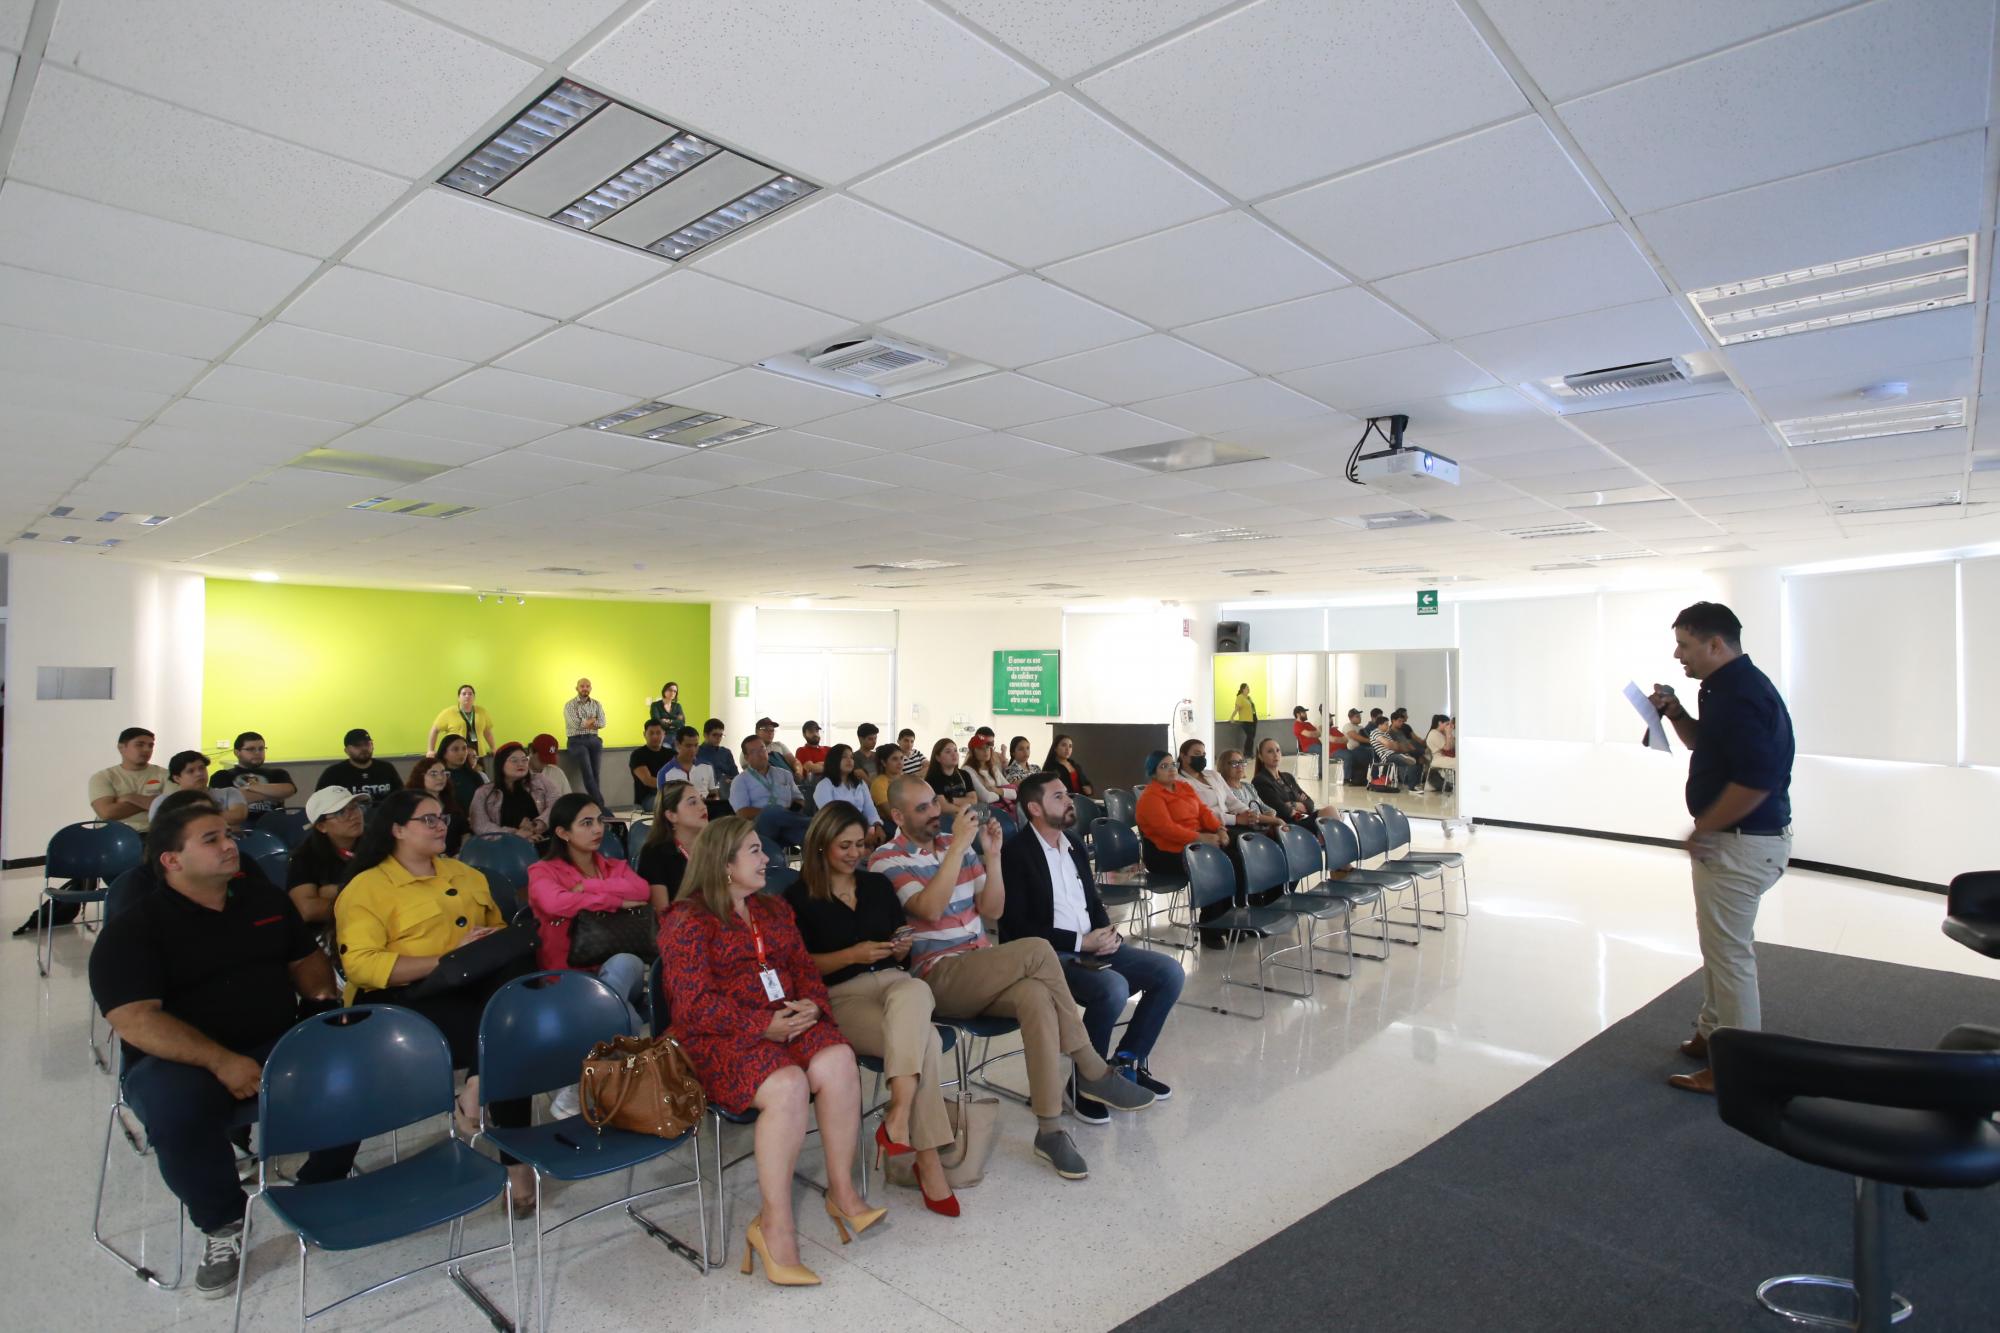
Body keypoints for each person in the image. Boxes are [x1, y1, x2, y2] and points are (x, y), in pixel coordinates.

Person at [89, 802, 352, 1298]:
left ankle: (322, 1184)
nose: (230, 845)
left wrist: (321, 1002)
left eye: (228, 835)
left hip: (271, 1035)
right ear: (171, 860)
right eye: (211, 839)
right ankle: (222, 1223)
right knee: (176, 1108)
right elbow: (135, 1018)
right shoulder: (135, 928)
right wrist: (221, 1061)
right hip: (179, 1059)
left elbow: (307, 959)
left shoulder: (263, 900)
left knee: (349, 1058)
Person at [871, 779, 1154, 1182]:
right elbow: (929, 909)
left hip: (982, 964)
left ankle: (1050, 1129)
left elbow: (993, 909)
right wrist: (956, 849)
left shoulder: (958, 845)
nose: (935, 812)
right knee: (1038, 948)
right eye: (922, 809)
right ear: (897, 816)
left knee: (1037, 996)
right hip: (937, 976)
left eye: (935, 802)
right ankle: (1092, 1067)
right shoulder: (888, 857)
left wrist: (991, 856)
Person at [659, 817, 881, 1285]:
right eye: (755, 851)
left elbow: (803, 969)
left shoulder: (774, 910)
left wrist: (812, 1008)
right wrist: (762, 1024)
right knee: (787, 1085)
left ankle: (841, 1191)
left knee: (839, 1060)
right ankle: (774, 1227)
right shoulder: (687, 920)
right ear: (723, 864)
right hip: (719, 1039)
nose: (768, 859)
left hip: (785, 1021)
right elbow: (692, 1005)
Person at [335, 789, 535, 1207]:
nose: (440, 825)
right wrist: (445, 957)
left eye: (442, 816)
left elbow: (496, 932)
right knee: (505, 1030)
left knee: (509, 1003)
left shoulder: (464, 874)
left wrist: (489, 940)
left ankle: (478, 1086)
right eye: (427, 819)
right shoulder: (368, 887)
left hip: (471, 990)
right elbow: (363, 967)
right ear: (396, 829)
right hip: (402, 1002)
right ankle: (514, 1158)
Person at [1647, 602, 1796, 1097]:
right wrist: (1676, 713)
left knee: (1730, 955)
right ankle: (1713, 1032)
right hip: (1739, 842)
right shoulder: (1723, 688)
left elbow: (1755, 781)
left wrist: (1704, 829)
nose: (1677, 655)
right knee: (1718, 945)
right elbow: (1704, 746)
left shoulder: (1740, 696)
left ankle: (1739, 1066)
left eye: (1685, 645)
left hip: (1740, 843)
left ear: (1715, 644)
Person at [786, 802, 959, 1215]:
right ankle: (927, 1159)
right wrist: (852, 955)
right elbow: (799, 967)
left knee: (914, 991)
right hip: (842, 995)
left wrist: (901, 947)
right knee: (928, 1043)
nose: (853, 853)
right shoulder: (794, 898)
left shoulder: (877, 885)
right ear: (820, 845)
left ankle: (899, 1113)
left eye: (860, 844)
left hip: (897, 986)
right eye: (843, 845)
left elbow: (900, 947)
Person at [1001, 772, 1182, 1124]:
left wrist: (1106, 932)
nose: (1069, 801)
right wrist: (1080, 942)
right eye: (1058, 797)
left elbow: (1091, 900)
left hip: (1092, 945)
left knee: (1169, 973)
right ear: (1034, 808)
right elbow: (1016, 927)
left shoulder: (1073, 843)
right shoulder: (1015, 854)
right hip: (1049, 957)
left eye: (1067, 794)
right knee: (1112, 988)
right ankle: (1086, 1081)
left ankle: (1127, 1063)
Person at [527, 795, 653, 1040]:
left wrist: (587, 887)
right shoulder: (542, 871)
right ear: (563, 833)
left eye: (599, 821)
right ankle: (625, 1046)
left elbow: (642, 891)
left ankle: (603, 1024)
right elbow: (556, 902)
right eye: (586, 823)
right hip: (567, 974)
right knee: (621, 1010)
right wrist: (613, 899)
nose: (597, 829)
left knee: (624, 962)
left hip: (620, 968)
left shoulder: (615, 866)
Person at [1135, 752, 1236, 946]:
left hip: (1193, 845)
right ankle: (1210, 927)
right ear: (1153, 772)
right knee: (1210, 867)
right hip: (1164, 853)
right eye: (1164, 766)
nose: (1171, 769)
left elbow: (1204, 812)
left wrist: (1219, 829)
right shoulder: (1150, 797)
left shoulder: (1183, 787)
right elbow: (1167, 830)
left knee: (1233, 859)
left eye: (1172, 764)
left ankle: (1229, 919)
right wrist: (1201, 838)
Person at [286, 786, 365, 925]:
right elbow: (307, 910)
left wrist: (336, 892)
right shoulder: (304, 856)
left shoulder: (378, 843)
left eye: (355, 807)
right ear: (321, 826)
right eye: (341, 812)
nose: (354, 815)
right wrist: (365, 902)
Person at [1180, 739, 1284, 835]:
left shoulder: (1213, 775)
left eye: (1204, 754)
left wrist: (1249, 813)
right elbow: (1202, 813)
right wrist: (1235, 819)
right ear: (1183, 756)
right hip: (1211, 827)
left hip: (1231, 823)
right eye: (1197, 754)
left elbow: (1233, 801)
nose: (1202, 758)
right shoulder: (1180, 782)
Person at [732, 735, 809, 864]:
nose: (760, 753)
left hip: (787, 825)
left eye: (762, 748)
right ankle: (815, 821)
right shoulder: (740, 781)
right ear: (746, 758)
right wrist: (775, 811)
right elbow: (742, 813)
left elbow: (799, 799)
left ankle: (812, 876)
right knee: (771, 812)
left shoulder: (784, 774)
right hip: (759, 828)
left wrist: (786, 813)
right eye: (753, 751)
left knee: (812, 836)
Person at [637, 779, 706, 910]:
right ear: (671, 815)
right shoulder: (654, 853)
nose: (703, 807)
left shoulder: (715, 846)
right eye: (692, 802)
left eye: (702, 800)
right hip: (681, 927)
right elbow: (662, 914)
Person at [471, 741, 558, 842]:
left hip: (542, 841)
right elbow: (480, 825)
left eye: (524, 760)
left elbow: (556, 803)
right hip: (504, 847)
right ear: (501, 763)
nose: (520, 764)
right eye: (514, 760)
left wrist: (539, 823)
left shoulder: (540, 780)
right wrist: (514, 835)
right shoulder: (484, 792)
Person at [89, 726, 167, 832]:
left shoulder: (165, 774)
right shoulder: (103, 777)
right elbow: (107, 813)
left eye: (150, 746)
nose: (147, 749)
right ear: (121, 748)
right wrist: (153, 803)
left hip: (153, 834)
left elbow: (171, 807)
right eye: (140, 745)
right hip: (113, 835)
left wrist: (130, 798)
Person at [208, 731, 297, 821]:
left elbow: (288, 790)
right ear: (237, 752)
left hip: (275, 824)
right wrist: (274, 795)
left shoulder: (277, 773)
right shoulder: (222, 775)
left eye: (261, 748)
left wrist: (253, 787)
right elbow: (226, 800)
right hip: (242, 825)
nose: (257, 752)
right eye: (251, 749)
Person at [1253, 737, 1337, 827]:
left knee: (1333, 812)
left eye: (1278, 750)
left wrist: (1292, 804)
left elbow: (1310, 804)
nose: (1275, 754)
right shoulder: (1260, 780)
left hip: (1301, 817)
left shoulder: (1288, 777)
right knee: (1330, 812)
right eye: (1270, 751)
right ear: (1260, 757)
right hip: (1287, 824)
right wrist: (1298, 804)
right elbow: (1281, 809)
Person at [812, 745, 886, 845]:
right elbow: (831, 817)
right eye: (844, 757)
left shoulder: (860, 783)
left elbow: (870, 809)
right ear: (834, 760)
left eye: (851, 757)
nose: (849, 760)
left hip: (861, 828)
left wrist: (877, 826)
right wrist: (861, 832)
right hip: (836, 830)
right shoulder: (824, 785)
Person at [151, 751, 248, 827]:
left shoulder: (229, 792)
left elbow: (237, 816)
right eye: (190, 771)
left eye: (202, 768)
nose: (199, 773)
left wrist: (187, 816)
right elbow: (161, 830)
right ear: (177, 778)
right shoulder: (163, 801)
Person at [405, 754, 470, 856]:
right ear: (420, 777)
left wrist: (462, 853)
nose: (441, 778)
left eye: (443, 773)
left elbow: (465, 831)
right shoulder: (411, 803)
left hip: (455, 857)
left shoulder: (450, 800)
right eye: (433, 774)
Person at [660, 725, 728, 819]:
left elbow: (714, 793)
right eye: (688, 746)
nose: (693, 750)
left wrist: (712, 801)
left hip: (706, 814)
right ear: (677, 745)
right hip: (680, 817)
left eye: (696, 745)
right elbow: (663, 805)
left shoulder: (707, 767)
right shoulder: (665, 773)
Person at [314, 729, 401, 801]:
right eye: (357, 746)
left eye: (367, 744)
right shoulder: (333, 773)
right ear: (346, 750)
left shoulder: (386, 768)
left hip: (384, 818)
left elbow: (402, 797)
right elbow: (320, 802)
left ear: (372, 746)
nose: (363, 748)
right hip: (349, 819)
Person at [563, 679, 608, 809]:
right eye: (582, 686)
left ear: (591, 688)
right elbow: (574, 724)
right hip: (576, 741)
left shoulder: (596, 704)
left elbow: (603, 723)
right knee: (588, 773)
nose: (585, 688)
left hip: (594, 739)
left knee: (595, 773)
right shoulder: (570, 705)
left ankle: (596, 805)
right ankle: (600, 806)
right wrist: (592, 721)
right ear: (576, 688)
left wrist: (586, 722)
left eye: (587, 686)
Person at [427, 683, 495, 762]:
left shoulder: (482, 712)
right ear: (459, 697)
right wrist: (430, 750)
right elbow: (434, 730)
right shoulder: (448, 712)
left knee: (478, 774)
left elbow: (487, 732)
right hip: (457, 755)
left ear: (474, 697)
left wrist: (493, 747)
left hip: (477, 755)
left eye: (470, 694)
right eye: (464, 694)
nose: (467, 696)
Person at [923, 739, 976, 819]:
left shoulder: (964, 774)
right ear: (938, 758)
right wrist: (964, 810)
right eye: (948, 752)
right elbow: (944, 807)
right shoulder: (932, 779)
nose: (954, 754)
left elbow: (973, 800)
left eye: (955, 750)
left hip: (965, 816)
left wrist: (951, 800)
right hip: (944, 820)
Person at [629, 719, 675, 811]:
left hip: (671, 793)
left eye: (658, 733)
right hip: (647, 798)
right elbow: (648, 780)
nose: (655, 736)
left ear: (664, 734)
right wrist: (673, 785)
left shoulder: (672, 754)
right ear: (644, 734)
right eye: (651, 733)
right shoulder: (638, 755)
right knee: (670, 805)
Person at [1370, 708, 1420, 789]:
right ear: (1380, 725)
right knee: (1410, 762)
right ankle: (1412, 787)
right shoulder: (1375, 732)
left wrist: (1392, 745)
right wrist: (1391, 745)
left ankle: (1412, 785)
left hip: (1394, 754)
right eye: (1386, 724)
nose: (1387, 726)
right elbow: (1388, 744)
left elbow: (1395, 746)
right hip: (1386, 756)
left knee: (1413, 764)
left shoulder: (1386, 734)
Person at [438, 733, 487, 811]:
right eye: (455, 749)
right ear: (444, 753)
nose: (461, 753)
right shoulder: (438, 776)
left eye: (464, 748)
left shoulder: (474, 776)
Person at [963, 732, 1012, 806]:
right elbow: (986, 797)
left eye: (987, 747)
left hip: (1002, 808)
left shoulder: (993, 768)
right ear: (972, 752)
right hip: (984, 813)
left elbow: (1014, 792)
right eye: (980, 748)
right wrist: (1003, 792)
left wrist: (995, 790)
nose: (986, 751)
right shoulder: (967, 770)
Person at [697, 718, 740, 785]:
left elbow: (736, 776)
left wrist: (731, 780)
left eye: (720, 735)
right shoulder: (696, 752)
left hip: (725, 791)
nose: (718, 738)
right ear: (705, 735)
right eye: (714, 735)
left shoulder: (726, 753)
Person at [528, 733, 572, 798]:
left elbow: (569, 800)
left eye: (549, 760)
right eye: (542, 759)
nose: (545, 763)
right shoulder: (517, 773)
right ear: (531, 751)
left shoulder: (557, 773)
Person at [1336, 709, 1373, 786]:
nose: (1359, 718)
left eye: (1359, 716)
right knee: (1368, 752)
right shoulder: (1348, 726)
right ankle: (1362, 778)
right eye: (1357, 716)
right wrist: (1371, 741)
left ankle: (1362, 778)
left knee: (1370, 752)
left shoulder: (1361, 727)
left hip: (1362, 749)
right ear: (1350, 718)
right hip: (1352, 750)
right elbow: (1356, 737)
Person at [1425, 715, 1457, 790]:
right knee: (1460, 763)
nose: (1448, 726)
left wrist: (1449, 734)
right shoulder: (1433, 733)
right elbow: (1447, 748)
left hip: (1445, 757)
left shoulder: (1442, 733)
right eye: (1447, 724)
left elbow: (1452, 746)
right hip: (1439, 759)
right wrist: (1448, 733)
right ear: (1440, 723)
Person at [1229, 682, 1258, 756]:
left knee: (1252, 737)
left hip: (1253, 719)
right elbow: (1237, 708)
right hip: (1245, 720)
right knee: (1250, 736)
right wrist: (1232, 717)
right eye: (1247, 688)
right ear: (1243, 689)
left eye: (1249, 688)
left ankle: (1250, 753)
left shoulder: (1249, 697)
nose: (1248, 689)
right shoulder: (1240, 697)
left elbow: (1252, 708)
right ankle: (1246, 753)